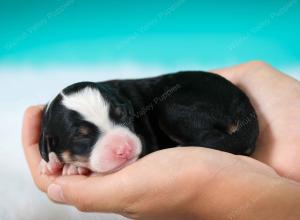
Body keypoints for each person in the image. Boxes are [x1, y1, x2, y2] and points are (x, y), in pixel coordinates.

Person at [22, 61, 300, 219]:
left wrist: (210, 187)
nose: (121, 145)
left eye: (120, 119)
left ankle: (212, 139)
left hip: (206, 96)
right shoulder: (54, 134)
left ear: (123, 107)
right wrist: (64, 160)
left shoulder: (116, 97)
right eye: (84, 139)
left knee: (169, 111)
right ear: (51, 145)